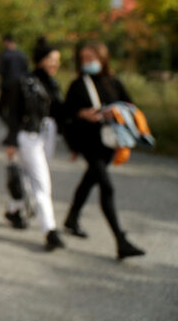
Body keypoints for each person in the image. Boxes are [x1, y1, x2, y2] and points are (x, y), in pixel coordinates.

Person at [61, 41, 145, 260]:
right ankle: (120, 240)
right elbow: (66, 113)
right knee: (106, 186)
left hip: (110, 143)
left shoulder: (113, 82)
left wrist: (114, 113)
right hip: (89, 143)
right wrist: (82, 114)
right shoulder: (78, 84)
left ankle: (72, 217)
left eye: (91, 58)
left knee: (89, 181)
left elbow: (130, 107)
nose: (87, 62)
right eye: (84, 59)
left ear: (103, 58)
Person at [1, 37, 65, 251]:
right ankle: (50, 230)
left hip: (47, 135)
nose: (54, 64)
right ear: (40, 60)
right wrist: (11, 141)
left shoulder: (53, 84)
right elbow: (12, 113)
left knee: (28, 176)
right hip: (28, 136)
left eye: (57, 60)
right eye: (51, 59)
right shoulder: (24, 82)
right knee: (41, 183)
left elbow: (60, 114)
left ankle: (14, 209)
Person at [0, 34, 29, 122]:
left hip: (7, 85)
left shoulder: (5, 55)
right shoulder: (22, 55)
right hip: (20, 85)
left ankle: (11, 125)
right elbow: (27, 71)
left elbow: (0, 71)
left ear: (6, 42)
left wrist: (0, 83)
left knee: (1, 109)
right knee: (15, 109)